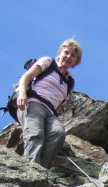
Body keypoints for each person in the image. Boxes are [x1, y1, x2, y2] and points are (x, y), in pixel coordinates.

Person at [16, 39, 82, 168]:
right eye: (66, 52)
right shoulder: (48, 62)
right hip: (34, 103)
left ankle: (40, 169)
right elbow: (26, 77)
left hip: (50, 112)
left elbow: (60, 105)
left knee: (58, 133)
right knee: (35, 134)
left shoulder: (70, 82)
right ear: (59, 53)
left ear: (76, 62)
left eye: (73, 56)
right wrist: (22, 94)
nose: (68, 57)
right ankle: (31, 169)